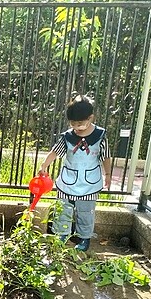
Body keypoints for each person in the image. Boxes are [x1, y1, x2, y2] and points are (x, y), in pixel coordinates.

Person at [38, 94, 112, 252]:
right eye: (72, 123)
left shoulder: (100, 136)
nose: (76, 127)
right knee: (62, 208)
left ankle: (84, 237)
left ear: (90, 118)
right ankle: (61, 234)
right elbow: (55, 152)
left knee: (86, 211)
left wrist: (108, 174)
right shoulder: (68, 137)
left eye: (80, 123)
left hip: (89, 183)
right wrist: (44, 165)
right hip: (68, 181)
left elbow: (106, 156)